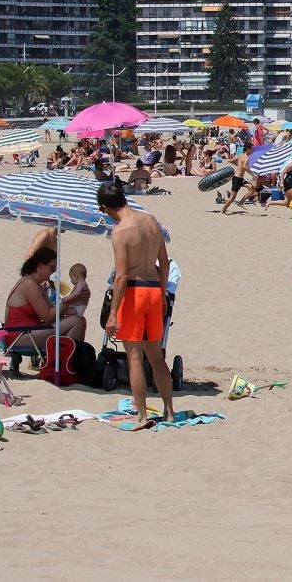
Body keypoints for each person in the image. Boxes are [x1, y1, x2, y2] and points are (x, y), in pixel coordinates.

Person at [98, 180, 175, 426]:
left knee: (134, 357)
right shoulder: (151, 221)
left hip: (133, 293)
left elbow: (121, 276)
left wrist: (112, 314)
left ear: (106, 208)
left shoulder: (120, 232)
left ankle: (141, 415)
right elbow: (165, 262)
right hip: (154, 291)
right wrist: (162, 293)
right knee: (156, 357)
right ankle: (169, 411)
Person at [3, 246, 87, 351]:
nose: (54, 271)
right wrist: (70, 301)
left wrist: (73, 305)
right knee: (76, 322)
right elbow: (48, 317)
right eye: (52, 268)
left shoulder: (35, 284)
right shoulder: (29, 285)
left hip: (29, 331)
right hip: (18, 336)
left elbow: (53, 312)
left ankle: (68, 361)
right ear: (40, 266)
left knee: (81, 320)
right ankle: (65, 362)